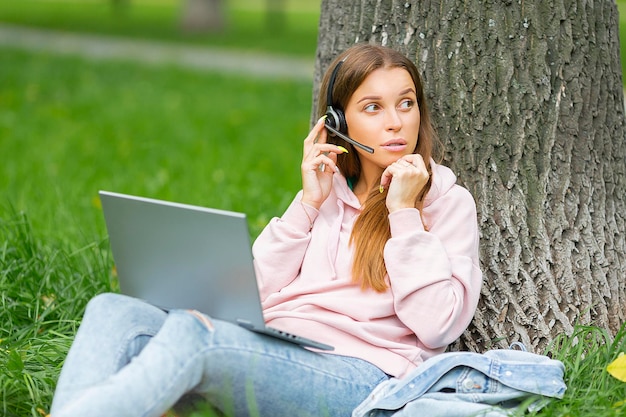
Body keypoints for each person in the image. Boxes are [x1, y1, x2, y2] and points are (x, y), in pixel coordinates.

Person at [49, 43, 482, 417]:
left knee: (191, 334)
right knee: (113, 309)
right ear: (338, 123)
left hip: (361, 373)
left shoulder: (445, 203)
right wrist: (308, 204)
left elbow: (437, 326)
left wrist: (404, 212)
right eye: (373, 107)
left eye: (406, 103)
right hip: (279, 345)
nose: (395, 122)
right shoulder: (327, 193)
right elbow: (250, 291)